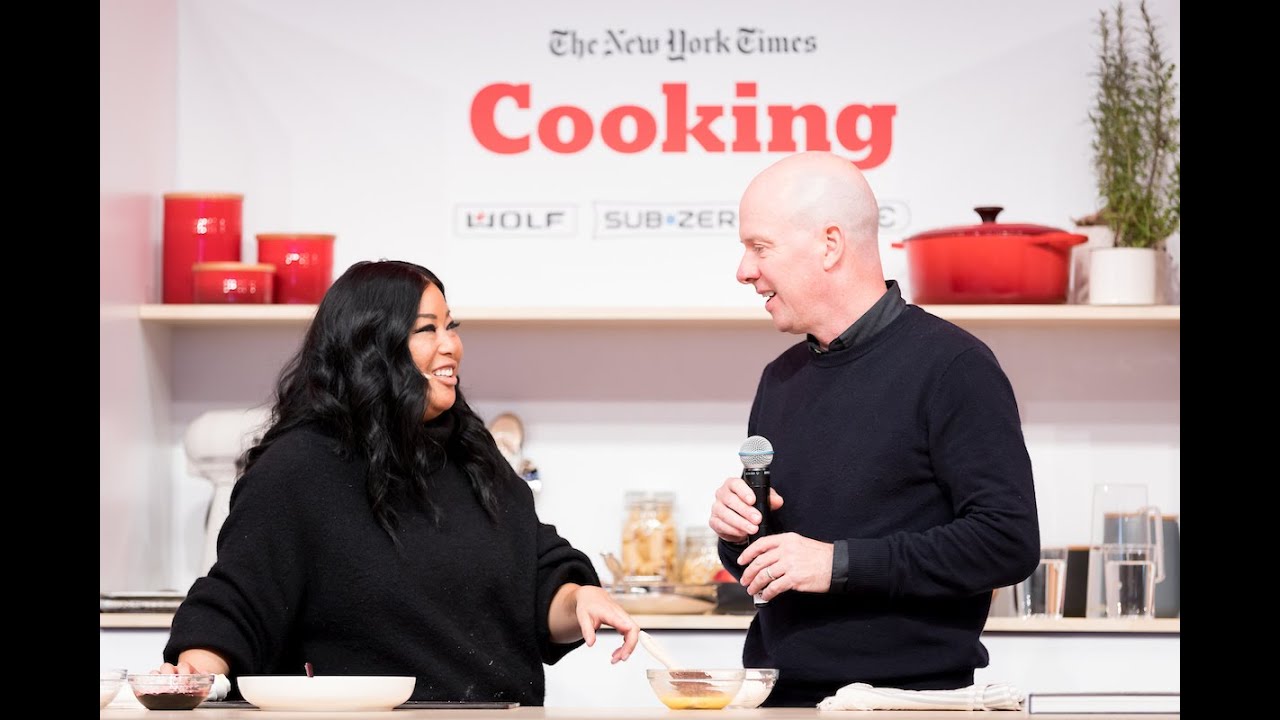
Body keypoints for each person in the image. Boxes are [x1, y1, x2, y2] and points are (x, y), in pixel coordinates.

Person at [158, 259, 639, 705]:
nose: (451, 345)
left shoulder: (472, 454)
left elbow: (537, 582)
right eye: (427, 329)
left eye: (450, 325)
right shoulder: (298, 468)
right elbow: (237, 601)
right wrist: (194, 672)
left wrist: (579, 599)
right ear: (371, 347)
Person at [708, 151, 1040, 707]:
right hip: (781, 698)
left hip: (907, 704)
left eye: (760, 247)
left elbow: (1007, 542)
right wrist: (739, 533)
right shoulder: (780, 377)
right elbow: (773, 566)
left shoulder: (954, 366)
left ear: (830, 245)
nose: (744, 270)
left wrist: (838, 564)